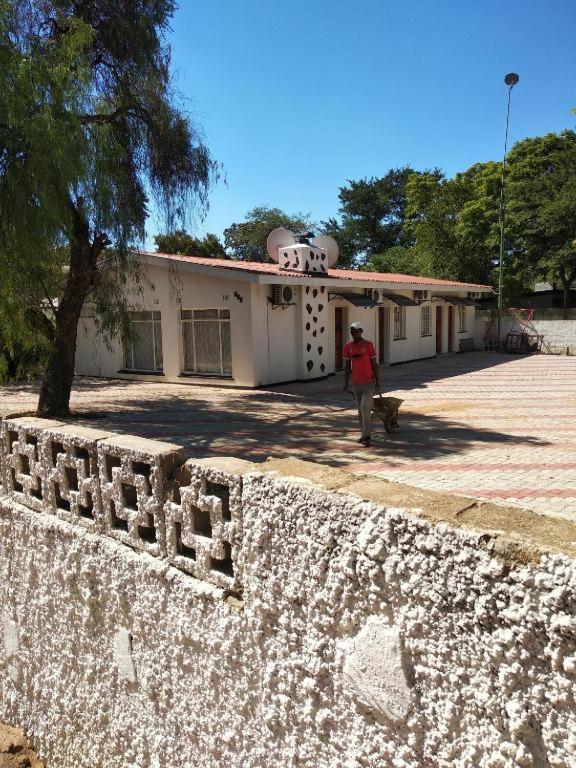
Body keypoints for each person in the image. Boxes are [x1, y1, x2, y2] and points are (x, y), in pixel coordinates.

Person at [343, 321, 380, 447]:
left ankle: (367, 436)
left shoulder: (368, 345)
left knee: (365, 407)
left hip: (369, 382)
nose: (353, 333)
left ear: (361, 331)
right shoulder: (348, 346)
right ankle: (364, 434)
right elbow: (347, 367)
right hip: (356, 383)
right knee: (360, 409)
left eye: (356, 331)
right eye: (352, 331)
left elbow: (374, 364)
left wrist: (378, 382)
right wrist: (346, 383)